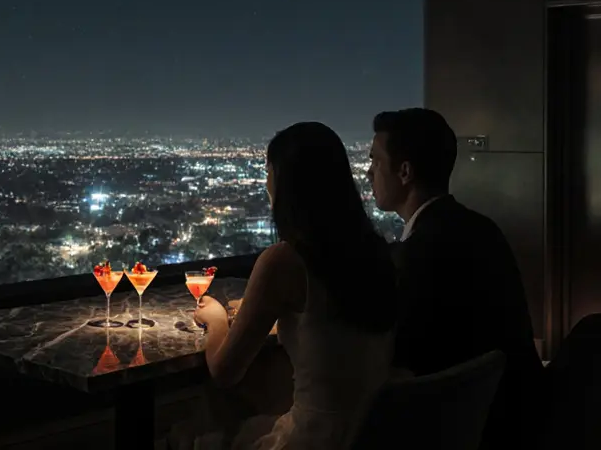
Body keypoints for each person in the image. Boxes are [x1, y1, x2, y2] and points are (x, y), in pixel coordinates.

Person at [192, 121, 397, 450]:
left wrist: (216, 319)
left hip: (313, 439)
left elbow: (224, 371)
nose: (266, 183)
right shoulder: (375, 252)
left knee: (199, 433)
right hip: (371, 434)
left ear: (285, 183)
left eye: (268, 171)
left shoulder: (284, 261)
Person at [369, 108, 543, 449]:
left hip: (476, 428)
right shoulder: (480, 228)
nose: (368, 172)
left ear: (404, 172)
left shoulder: (419, 253)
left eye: (375, 161)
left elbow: (403, 359)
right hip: (520, 414)